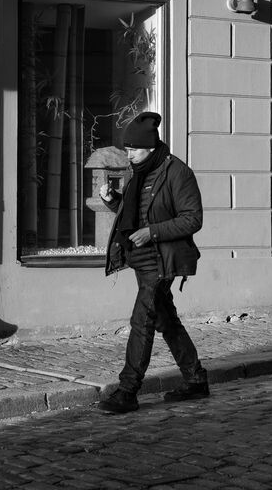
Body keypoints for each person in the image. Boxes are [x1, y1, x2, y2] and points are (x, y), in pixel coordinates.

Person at [97, 111, 209, 414]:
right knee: (165, 319)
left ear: (150, 147)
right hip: (141, 259)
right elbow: (136, 214)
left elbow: (192, 219)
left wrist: (152, 233)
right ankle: (196, 379)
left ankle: (128, 390)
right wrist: (113, 201)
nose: (129, 155)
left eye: (133, 149)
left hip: (163, 259)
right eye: (127, 149)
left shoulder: (177, 172)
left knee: (142, 320)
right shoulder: (139, 172)